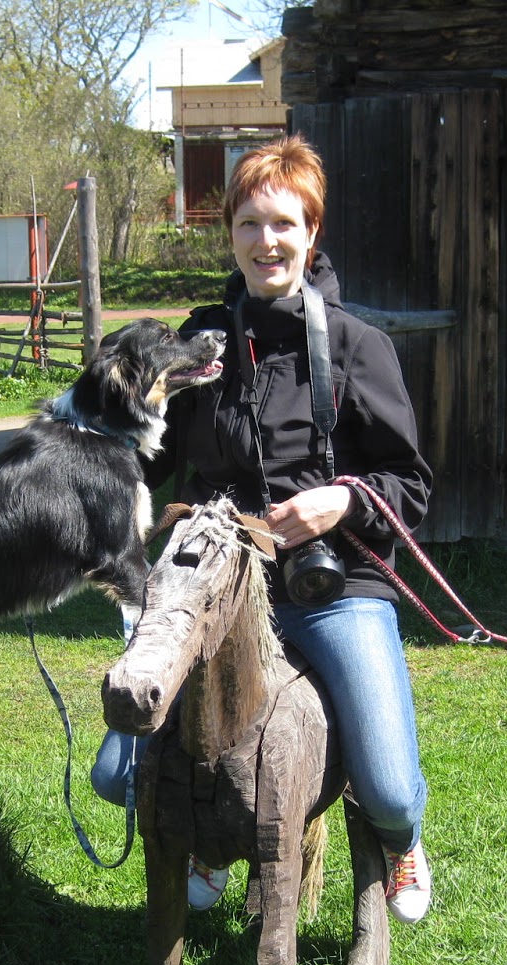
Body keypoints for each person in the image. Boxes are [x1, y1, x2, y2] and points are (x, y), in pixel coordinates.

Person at [93, 134, 435, 923]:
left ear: (312, 233)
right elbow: (144, 458)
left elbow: (412, 487)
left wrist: (341, 501)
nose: (266, 240)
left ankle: (403, 838)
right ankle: (214, 842)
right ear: (230, 235)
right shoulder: (200, 342)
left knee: (388, 788)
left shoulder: (358, 346)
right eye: (249, 223)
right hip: (216, 587)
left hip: (335, 586)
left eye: (284, 223)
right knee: (119, 775)